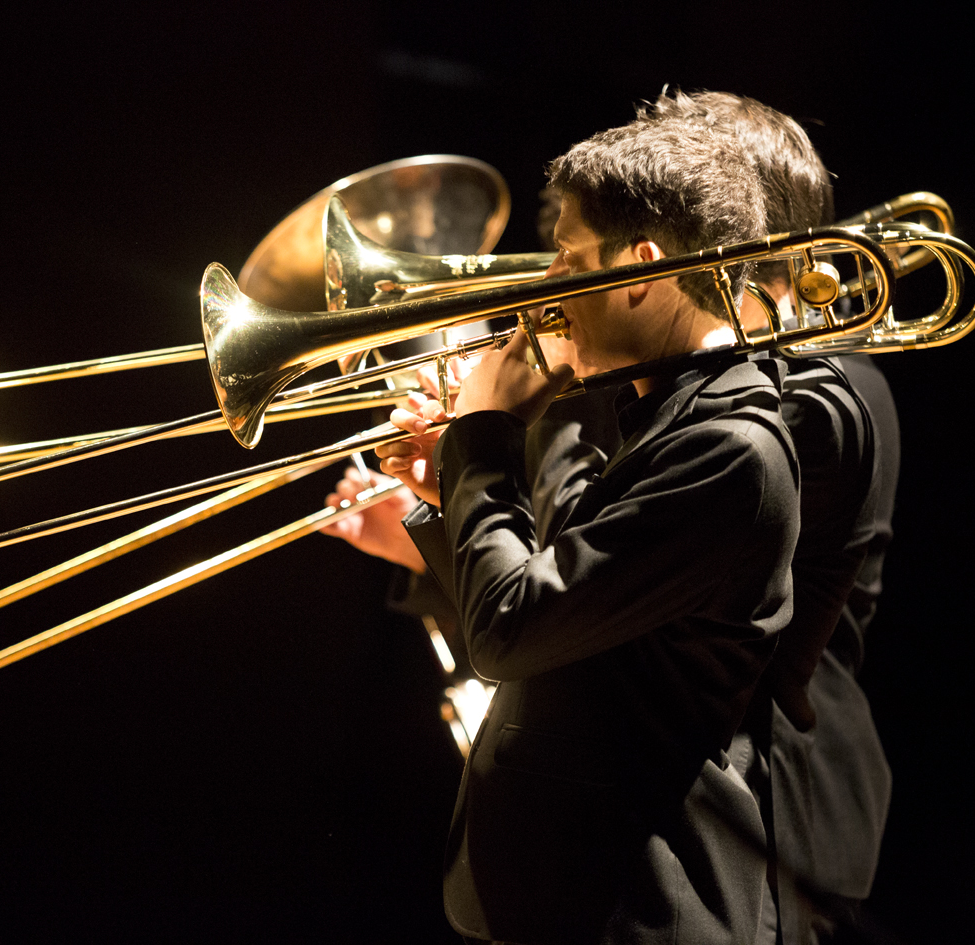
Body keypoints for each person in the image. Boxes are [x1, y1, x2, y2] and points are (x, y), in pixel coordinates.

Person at [372, 112, 799, 944]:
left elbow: (509, 631)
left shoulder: (728, 447)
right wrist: (444, 491)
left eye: (568, 256)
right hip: (567, 896)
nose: (546, 281)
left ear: (641, 269)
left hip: (630, 909)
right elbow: (552, 614)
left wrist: (482, 440)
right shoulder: (658, 414)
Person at [640, 90, 897, 945]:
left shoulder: (819, 395)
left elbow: (646, 589)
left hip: (781, 818)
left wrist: (507, 438)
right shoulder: (720, 391)